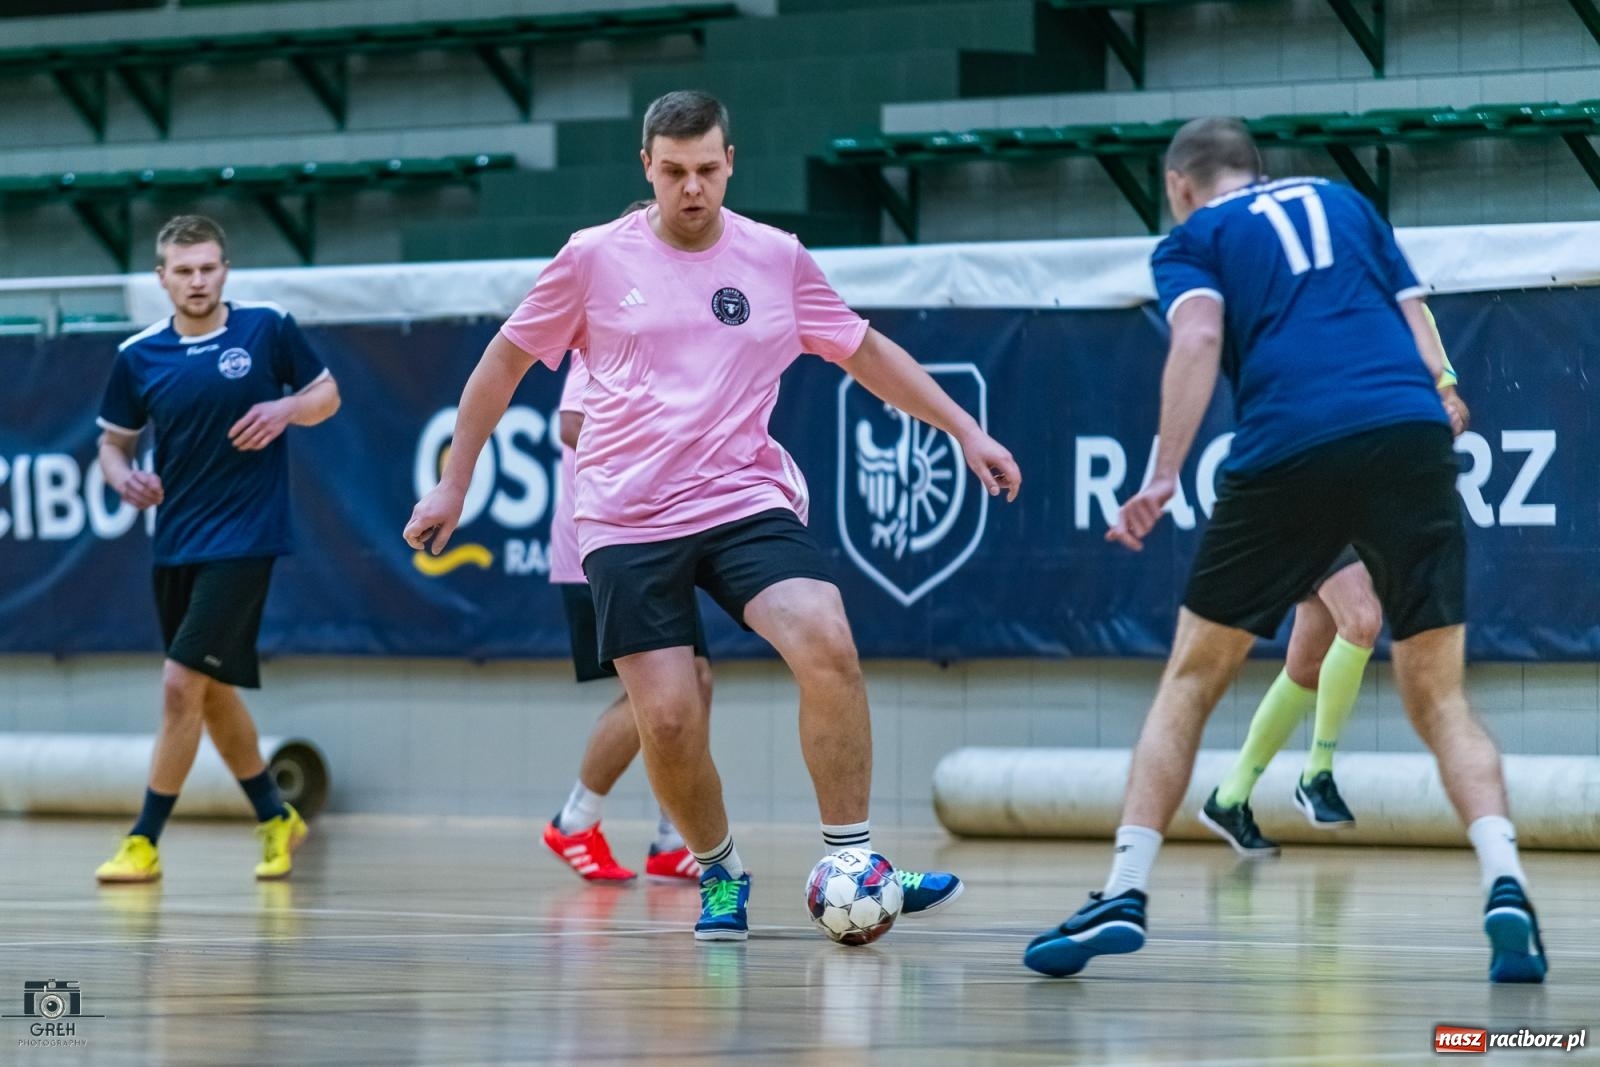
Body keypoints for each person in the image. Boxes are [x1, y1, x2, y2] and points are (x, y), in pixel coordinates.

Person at [406, 90, 1020, 940]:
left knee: (826, 637)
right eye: (673, 171)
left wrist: (963, 429)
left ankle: (852, 856)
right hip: (624, 516)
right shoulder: (591, 258)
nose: (691, 187)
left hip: (741, 496)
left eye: (706, 169)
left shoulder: (776, 258)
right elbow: (502, 363)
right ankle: (719, 869)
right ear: (647, 168)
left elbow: (866, 351)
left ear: (729, 163)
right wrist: (453, 481)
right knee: (665, 716)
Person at [1024, 118, 1545, 983]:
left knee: (1191, 680)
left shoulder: (1193, 236)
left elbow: (1194, 341)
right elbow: (1413, 310)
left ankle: (1124, 888)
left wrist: (1161, 475)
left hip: (1290, 444)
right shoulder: (1347, 202)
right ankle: (1506, 882)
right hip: (1408, 431)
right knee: (1440, 696)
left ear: (1178, 184)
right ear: (1256, 168)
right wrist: (1446, 388)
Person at [94, 215, 341, 884]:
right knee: (209, 691)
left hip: (246, 536)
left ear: (224, 268)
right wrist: (124, 478)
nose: (197, 280)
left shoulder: (266, 327)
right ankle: (274, 815)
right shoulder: (138, 355)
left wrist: (285, 410)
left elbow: (326, 394)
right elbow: (112, 444)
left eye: (208, 267)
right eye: (183, 270)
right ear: (162, 277)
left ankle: (143, 839)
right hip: (176, 542)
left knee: (179, 686)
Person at [1201, 315, 1471, 856]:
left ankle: (1230, 797)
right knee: (1362, 618)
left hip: (1355, 495)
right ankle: (1317, 772)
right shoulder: (1301, 306)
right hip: (1295, 486)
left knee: (1305, 664)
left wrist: (1447, 407)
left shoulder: (1405, 305)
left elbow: (1450, 400)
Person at [544, 324, 706, 884]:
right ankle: (575, 820)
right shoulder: (614, 335)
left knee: (696, 679)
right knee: (660, 688)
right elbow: (570, 424)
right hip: (603, 544)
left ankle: (674, 837)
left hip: (656, 539)